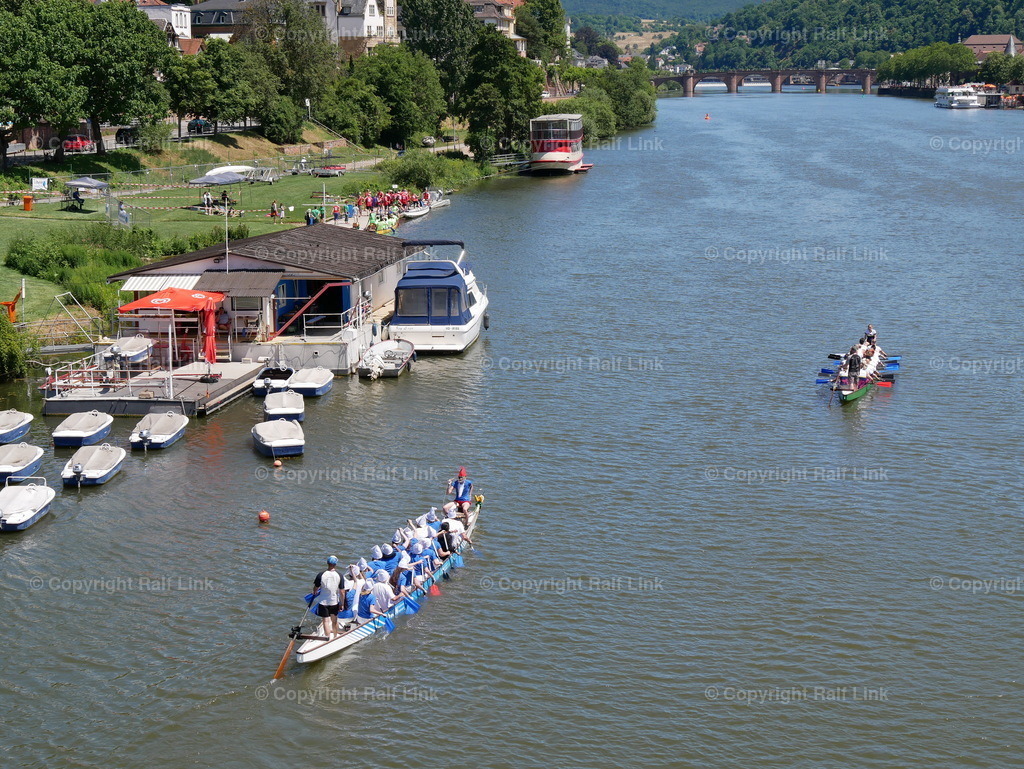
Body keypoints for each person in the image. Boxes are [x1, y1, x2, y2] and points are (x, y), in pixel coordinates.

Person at [312, 556, 344, 640]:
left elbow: (316, 587)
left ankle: (327, 638)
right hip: (334, 602)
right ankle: (335, 636)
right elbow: (342, 591)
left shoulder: (321, 574)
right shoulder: (339, 575)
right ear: (335, 564)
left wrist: (314, 592)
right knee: (334, 621)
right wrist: (342, 604)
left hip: (323, 602)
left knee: (325, 621)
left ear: (327, 563)